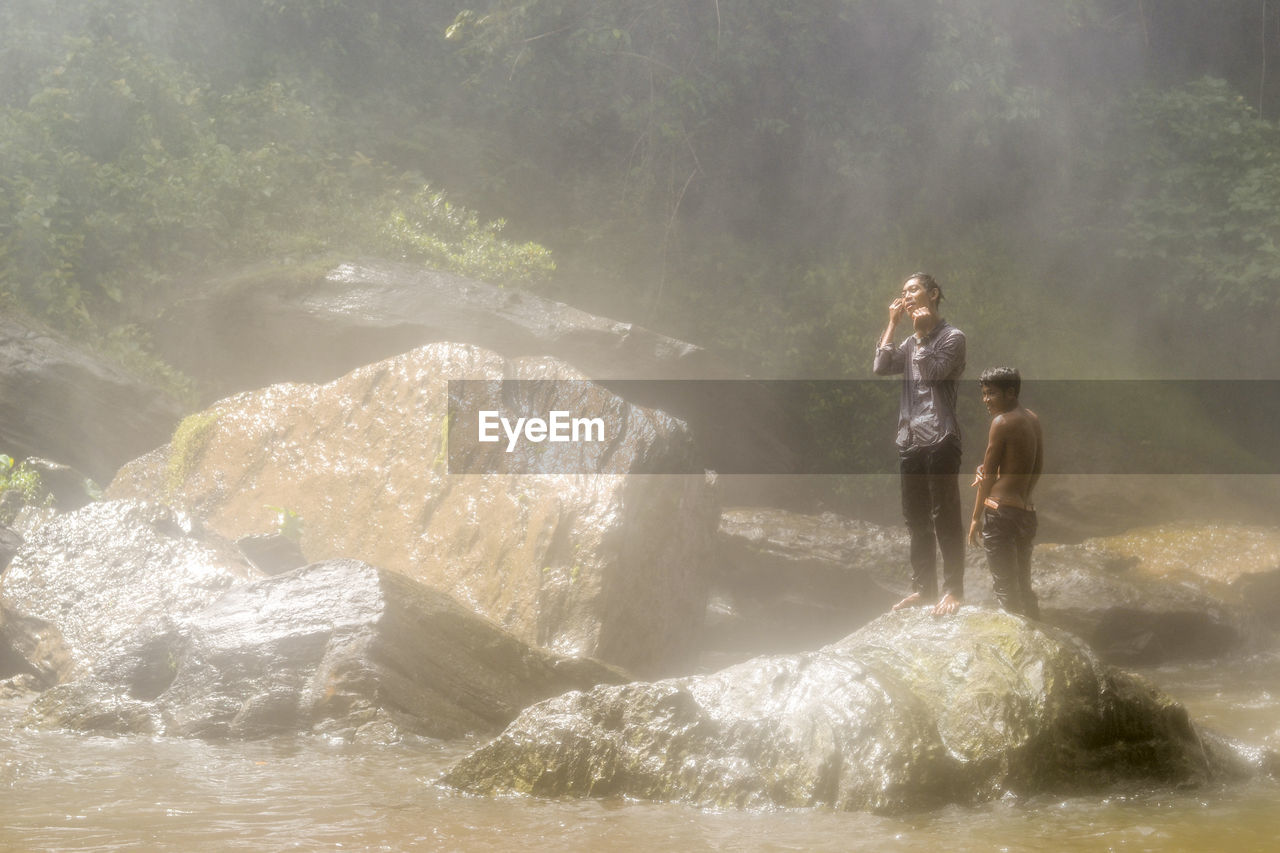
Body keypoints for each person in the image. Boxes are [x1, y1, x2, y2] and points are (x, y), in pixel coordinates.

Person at [874, 273, 967, 616]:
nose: (906, 296)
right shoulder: (911, 341)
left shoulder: (953, 337)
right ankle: (923, 589)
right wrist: (892, 325)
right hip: (910, 438)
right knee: (916, 518)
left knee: (945, 516)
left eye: (913, 290)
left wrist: (926, 335)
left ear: (933, 293)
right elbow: (880, 367)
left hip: (941, 437)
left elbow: (933, 375)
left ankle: (953, 590)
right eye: (903, 292)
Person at [968, 366, 1044, 618]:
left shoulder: (1001, 422)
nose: (985, 400)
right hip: (1026, 513)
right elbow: (1036, 467)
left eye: (991, 393)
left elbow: (987, 476)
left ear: (1010, 392)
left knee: (1005, 588)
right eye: (984, 393)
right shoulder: (1032, 419)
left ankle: (1018, 644)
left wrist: (976, 517)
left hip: (999, 512)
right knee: (1024, 586)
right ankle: (1036, 634)